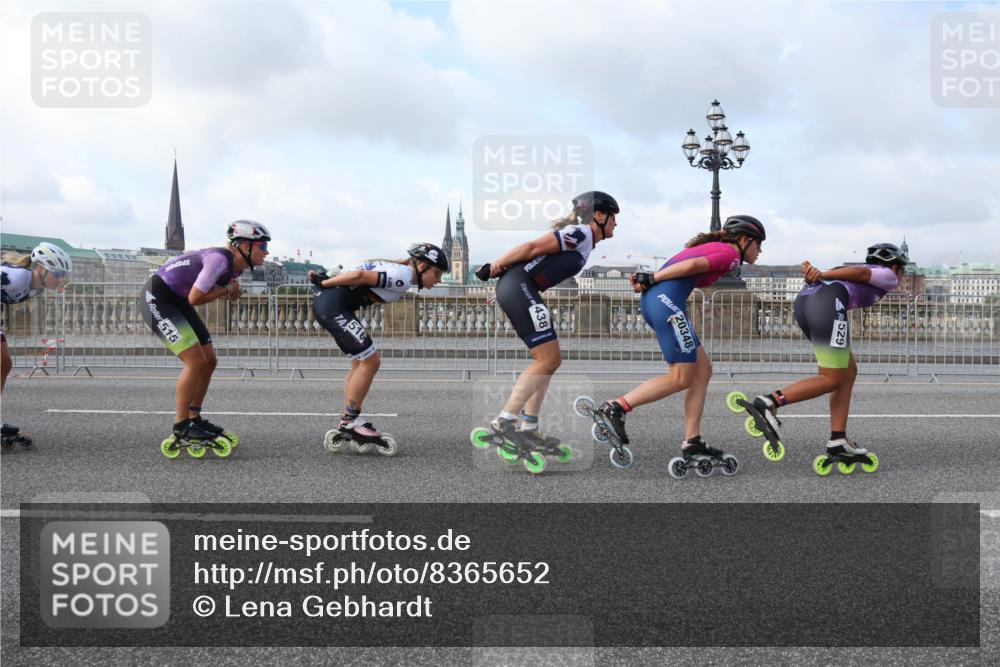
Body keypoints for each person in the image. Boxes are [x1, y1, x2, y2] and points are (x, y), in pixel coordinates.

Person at [595, 215, 766, 477]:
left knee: (702, 369)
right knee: (682, 377)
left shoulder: (718, 248)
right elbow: (695, 264)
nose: (760, 251)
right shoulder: (730, 252)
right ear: (744, 240)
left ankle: (692, 440)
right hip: (666, 304)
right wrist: (653, 277)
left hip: (659, 302)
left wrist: (652, 280)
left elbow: (690, 264)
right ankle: (617, 406)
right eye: (758, 244)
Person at [730, 242, 908, 475]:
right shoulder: (887, 275)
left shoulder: (860, 273)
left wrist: (818, 273)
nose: (901, 277)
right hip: (827, 304)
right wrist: (821, 273)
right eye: (902, 271)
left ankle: (838, 439)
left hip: (806, 303)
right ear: (895, 267)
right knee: (832, 377)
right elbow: (861, 272)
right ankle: (769, 402)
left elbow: (848, 275)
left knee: (847, 371)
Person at [474, 191, 619, 470]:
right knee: (547, 360)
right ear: (599, 216)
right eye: (613, 217)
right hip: (518, 286)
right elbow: (531, 247)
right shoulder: (580, 233)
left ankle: (528, 425)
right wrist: (496, 265)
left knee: (549, 361)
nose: (616, 224)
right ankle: (505, 421)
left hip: (522, 288)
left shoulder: (585, 240)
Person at [138, 220, 271, 456]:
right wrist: (227, 290)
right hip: (158, 298)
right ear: (243, 246)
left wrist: (228, 289)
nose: (266, 251)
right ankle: (181, 426)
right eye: (262, 245)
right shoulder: (220, 259)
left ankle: (194, 417)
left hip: (178, 299)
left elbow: (204, 293)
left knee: (209, 361)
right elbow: (196, 297)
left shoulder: (236, 266)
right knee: (195, 362)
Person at [309, 243, 448, 452]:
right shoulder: (403, 276)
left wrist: (325, 279)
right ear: (421, 266)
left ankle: (348, 418)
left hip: (332, 305)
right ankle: (349, 421)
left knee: (360, 362)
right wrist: (326, 281)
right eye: (436, 274)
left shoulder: (399, 271)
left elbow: (357, 273)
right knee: (371, 361)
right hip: (333, 307)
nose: (437, 281)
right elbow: (359, 276)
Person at [1, 242, 73, 447]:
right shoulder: (17, 278)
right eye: (57, 273)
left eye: (63, 274)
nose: (61, 279)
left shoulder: (37, 288)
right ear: (41, 269)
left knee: (4, 364)